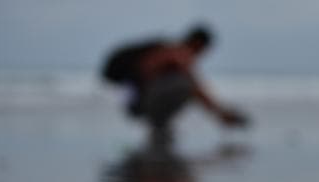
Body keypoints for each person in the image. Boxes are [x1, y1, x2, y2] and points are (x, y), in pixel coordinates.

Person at [102, 25, 248, 147]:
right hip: (138, 101)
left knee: (183, 84)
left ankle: (159, 124)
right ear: (198, 44)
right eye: (204, 51)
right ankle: (159, 124)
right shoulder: (178, 54)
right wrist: (220, 114)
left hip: (135, 99)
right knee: (184, 85)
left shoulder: (170, 52)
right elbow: (195, 88)